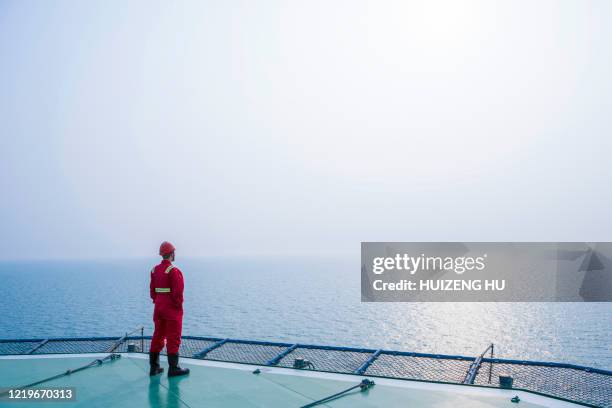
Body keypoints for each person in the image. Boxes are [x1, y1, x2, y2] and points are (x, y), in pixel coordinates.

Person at [148, 241, 190, 377]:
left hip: (158, 307)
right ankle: (174, 368)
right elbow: (178, 294)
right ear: (172, 254)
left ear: (162, 254)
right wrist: (177, 308)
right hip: (171, 309)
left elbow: (152, 292)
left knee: (158, 335)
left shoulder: (154, 270)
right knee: (173, 337)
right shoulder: (174, 271)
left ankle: (154, 367)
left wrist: (158, 301)